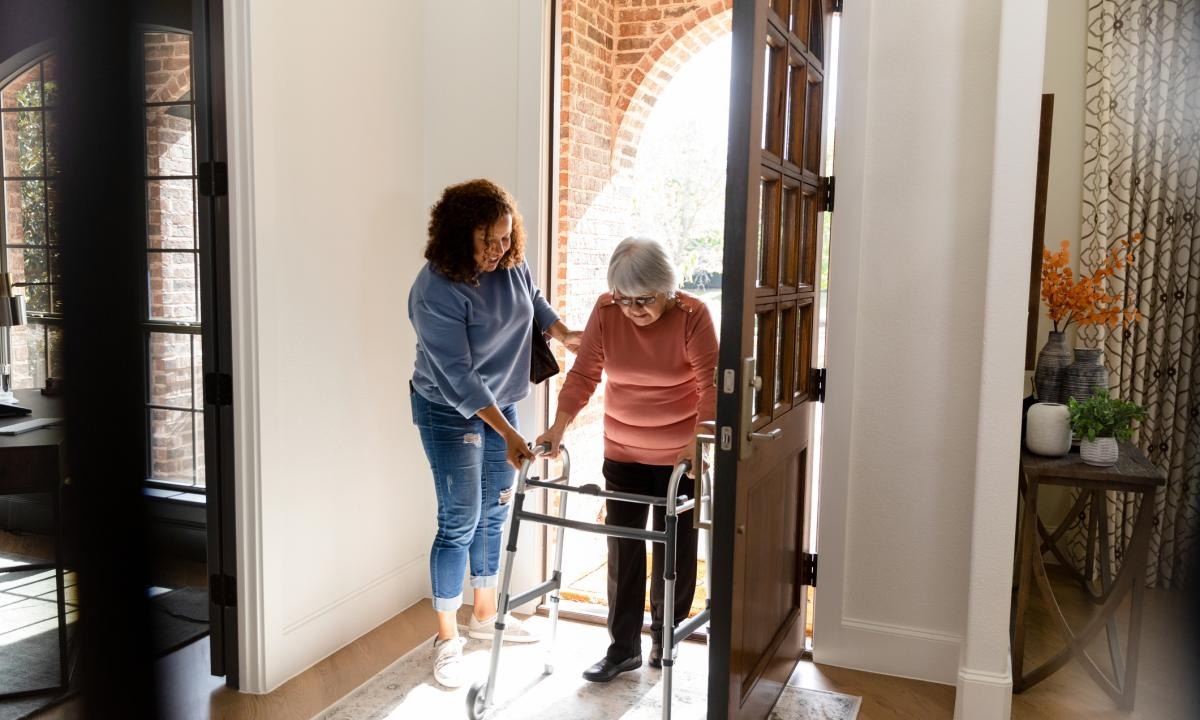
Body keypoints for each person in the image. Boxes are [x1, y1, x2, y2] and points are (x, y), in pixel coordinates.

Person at [409, 179, 580, 688]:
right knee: (459, 518)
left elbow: (534, 299)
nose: (498, 249)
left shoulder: (510, 264)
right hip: (448, 409)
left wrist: (562, 331)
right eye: (488, 240)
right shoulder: (435, 289)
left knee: (496, 506)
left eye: (506, 238)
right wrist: (508, 433)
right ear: (459, 235)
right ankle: (446, 638)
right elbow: (458, 376)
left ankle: (484, 616)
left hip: (501, 402)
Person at [536, 237, 718, 682]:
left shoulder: (693, 317)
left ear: (668, 289)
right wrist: (558, 428)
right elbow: (584, 375)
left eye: (644, 299)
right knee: (623, 547)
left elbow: (712, 383)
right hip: (623, 451)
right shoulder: (606, 312)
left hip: (680, 460)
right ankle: (622, 648)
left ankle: (666, 638)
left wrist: (700, 442)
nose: (633, 310)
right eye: (624, 299)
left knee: (674, 547)